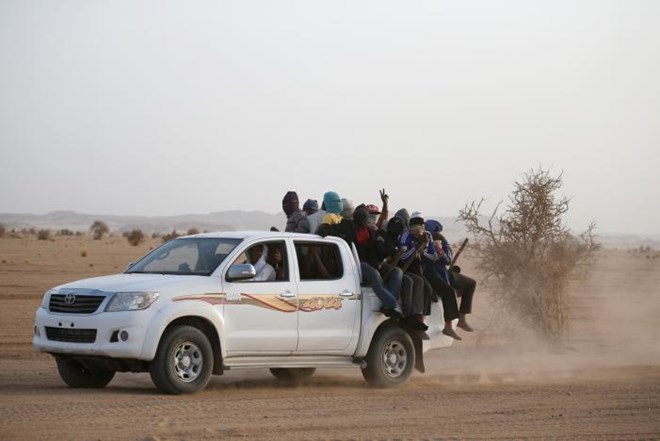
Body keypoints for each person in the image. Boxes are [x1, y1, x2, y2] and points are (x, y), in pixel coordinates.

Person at [319, 204, 402, 319]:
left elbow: (380, 249)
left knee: (397, 272)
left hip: (373, 263)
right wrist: (323, 229)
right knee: (373, 274)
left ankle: (387, 304)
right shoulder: (345, 227)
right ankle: (392, 304)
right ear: (354, 220)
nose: (360, 226)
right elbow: (327, 229)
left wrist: (392, 251)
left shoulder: (370, 232)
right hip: (354, 264)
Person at [399, 212, 462, 340]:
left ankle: (448, 326)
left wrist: (424, 250)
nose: (418, 228)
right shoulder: (405, 236)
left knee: (448, 291)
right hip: (410, 269)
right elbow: (402, 257)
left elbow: (433, 257)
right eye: (415, 225)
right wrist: (415, 249)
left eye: (420, 225)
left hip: (427, 269)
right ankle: (421, 323)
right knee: (426, 289)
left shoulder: (427, 235)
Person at [425, 219, 476, 332]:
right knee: (452, 289)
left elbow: (447, 260)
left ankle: (461, 318)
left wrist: (440, 251)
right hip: (438, 275)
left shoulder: (437, 240)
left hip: (444, 274)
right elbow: (447, 260)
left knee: (470, 283)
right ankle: (458, 320)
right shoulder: (428, 241)